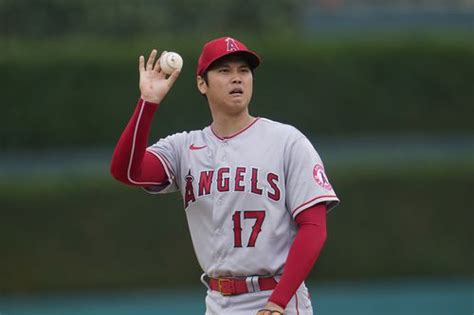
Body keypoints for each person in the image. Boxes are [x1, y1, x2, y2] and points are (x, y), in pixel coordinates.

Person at [110, 36, 339, 315]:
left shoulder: (287, 141)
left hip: (276, 295)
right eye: (224, 71)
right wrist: (148, 103)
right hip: (217, 300)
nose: (237, 78)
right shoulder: (184, 147)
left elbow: (314, 227)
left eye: (244, 70)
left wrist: (278, 302)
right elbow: (126, 172)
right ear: (201, 84)